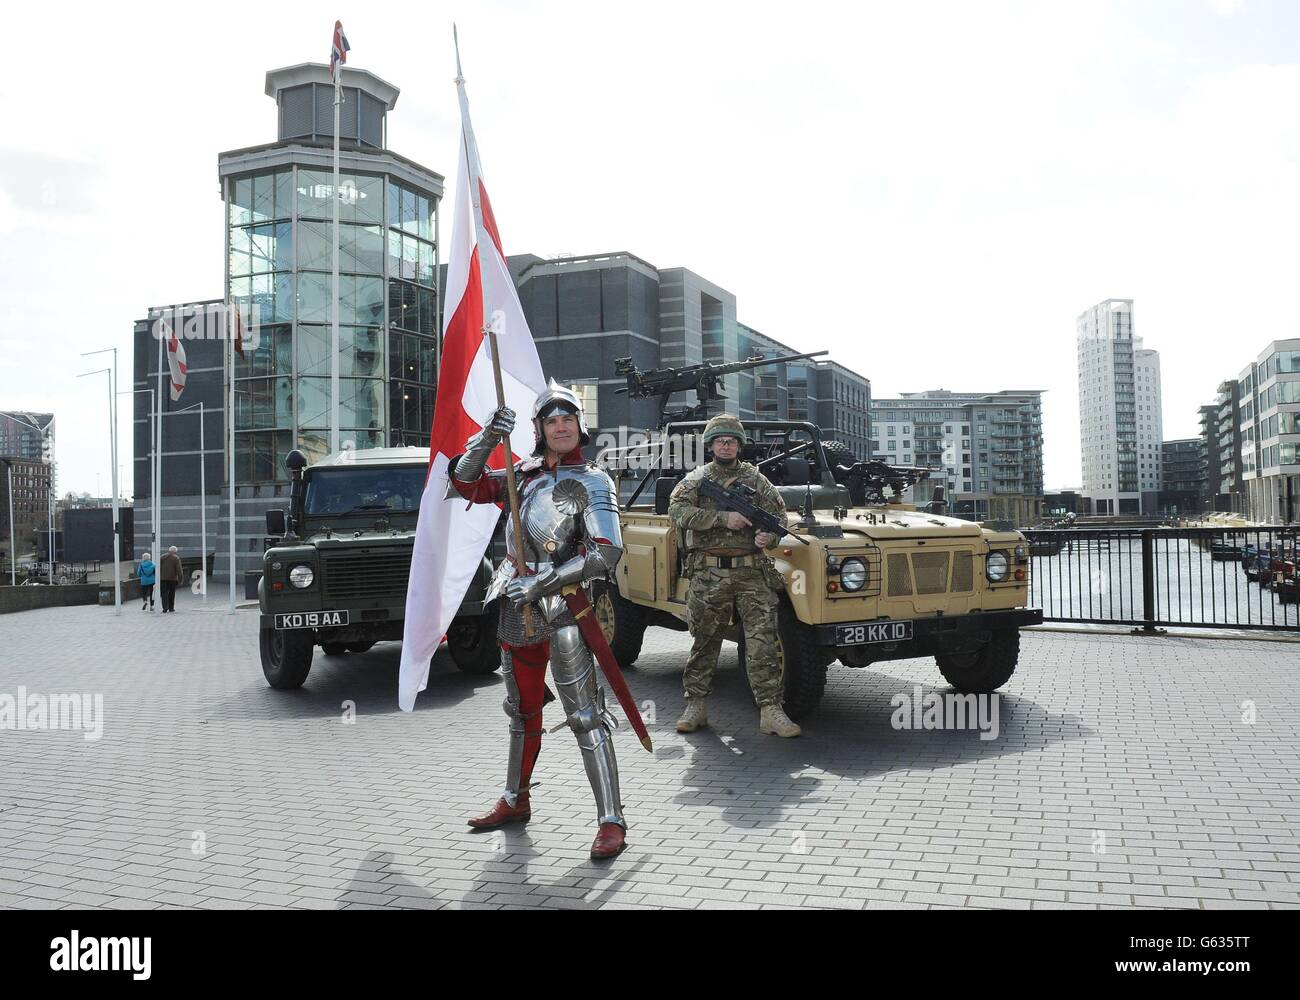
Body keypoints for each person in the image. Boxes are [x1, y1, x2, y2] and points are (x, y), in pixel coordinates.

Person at [449, 381, 629, 859]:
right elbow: (464, 482)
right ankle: (515, 799)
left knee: (585, 716)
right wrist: (488, 436)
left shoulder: (593, 480)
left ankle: (611, 819)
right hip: (514, 606)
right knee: (522, 711)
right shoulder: (521, 475)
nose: (561, 425)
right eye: (551, 420)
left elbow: (606, 551)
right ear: (538, 429)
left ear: (580, 425)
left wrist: (543, 583)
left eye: (568, 417)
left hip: (566, 607)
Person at [667, 414, 802, 738]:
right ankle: (695, 705)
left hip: (751, 573)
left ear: (738, 445)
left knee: (762, 643)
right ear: (711, 445)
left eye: (731, 441)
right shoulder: (697, 480)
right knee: (705, 642)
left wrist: (768, 538)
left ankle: (771, 709)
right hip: (709, 572)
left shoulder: (756, 479)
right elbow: (677, 512)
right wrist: (721, 518)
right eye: (720, 440)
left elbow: (779, 517)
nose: (726, 445)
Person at [159, 545, 183, 613]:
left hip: (162, 578)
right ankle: (171, 608)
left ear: (169, 550)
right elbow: (179, 570)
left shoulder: (162, 557)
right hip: (172, 579)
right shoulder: (176, 558)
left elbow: (158, 567)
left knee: (164, 593)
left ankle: (165, 607)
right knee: (171, 593)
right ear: (175, 551)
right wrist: (180, 579)